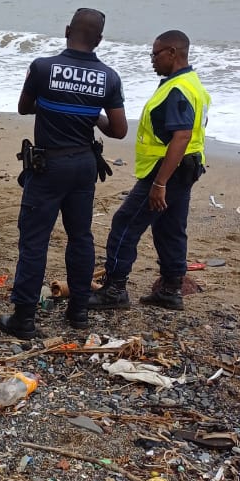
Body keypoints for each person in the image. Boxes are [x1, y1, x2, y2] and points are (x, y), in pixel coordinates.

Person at [0, 8, 127, 339]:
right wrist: (90, 115)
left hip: (48, 165)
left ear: (67, 29)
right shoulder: (109, 77)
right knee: (80, 236)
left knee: (34, 241)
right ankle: (79, 311)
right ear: (99, 39)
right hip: (84, 164)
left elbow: (24, 107)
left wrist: (53, 104)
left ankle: (24, 318)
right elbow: (118, 129)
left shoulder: (42, 67)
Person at [89, 30, 211, 312]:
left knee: (125, 223)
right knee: (169, 227)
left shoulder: (178, 89)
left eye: (155, 54)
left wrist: (160, 183)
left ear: (172, 52)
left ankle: (115, 289)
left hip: (169, 169)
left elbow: (181, 135)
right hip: (186, 166)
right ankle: (170, 290)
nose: (151, 60)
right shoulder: (190, 83)